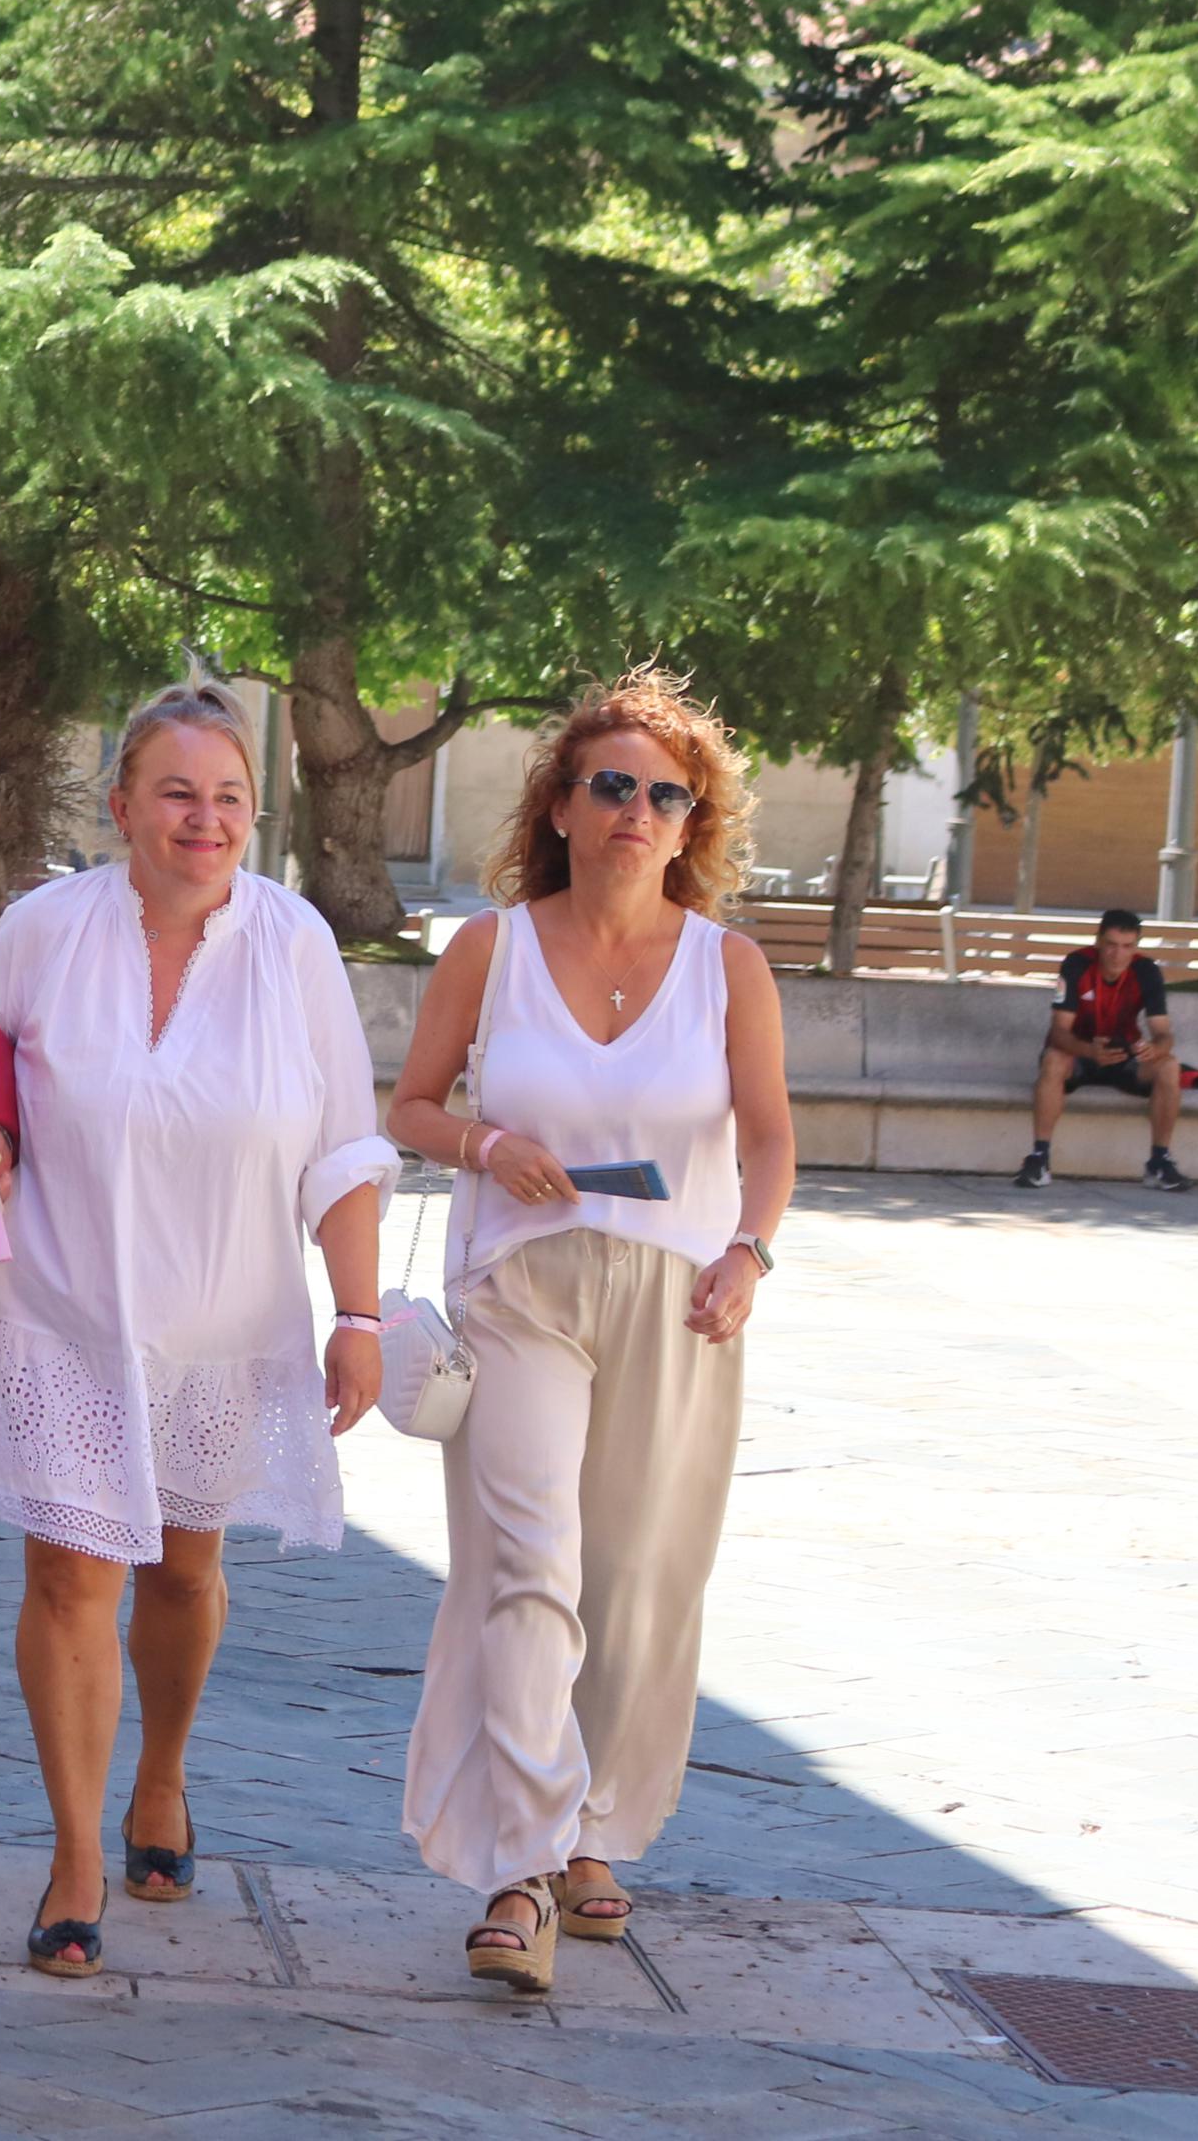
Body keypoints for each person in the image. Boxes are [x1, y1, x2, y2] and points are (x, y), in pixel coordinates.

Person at [0, 685, 391, 1983]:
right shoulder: (43, 929)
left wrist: (354, 1312)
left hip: (223, 1318)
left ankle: (159, 1775)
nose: (203, 817)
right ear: (119, 804)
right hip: (62, 1306)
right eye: (175, 791)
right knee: (69, 1576)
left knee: (182, 1569)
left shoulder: (292, 947)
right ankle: (71, 1856)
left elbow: (343, 1144)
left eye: (227, 795)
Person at [386, 670, 792, 1993]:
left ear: (690, 824)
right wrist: (485, 1141)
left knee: (630, 1578)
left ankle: (593, 1826)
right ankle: (518, 1858)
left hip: (677, 1295)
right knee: (525, 1562)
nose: (633, 808)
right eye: (607, 783)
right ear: (559, 803)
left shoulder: (727, 968)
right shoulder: (485, 949)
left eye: (662, 792)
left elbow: (770, 1138)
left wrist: (747, 1249)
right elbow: (405, 1106)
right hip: (521, 1288)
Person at [1020, 906, 1191, 1191]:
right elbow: (1059, 1032)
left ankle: (1159, 1162)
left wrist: (1155, 1049)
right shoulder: (1076, 964)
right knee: (1053, 1059)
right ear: (1098, 942)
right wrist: (1089, 1051)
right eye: (1111, 945)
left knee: (1169, 1065)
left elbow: (1164, 1034)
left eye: (1127, 947)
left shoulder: (1146, 971)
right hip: (1080, 1054)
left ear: (1135, 947)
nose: (1118, 954)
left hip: (1124, 1056)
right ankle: (1039, 1158)